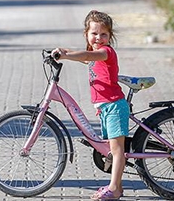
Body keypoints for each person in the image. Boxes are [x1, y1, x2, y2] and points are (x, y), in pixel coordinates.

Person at [51, 10, 127, 200]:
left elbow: (86, 55)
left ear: (110, 37)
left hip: (115, 106)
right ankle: (117, 184)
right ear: (86, 34)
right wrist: (63, 51)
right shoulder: (94, 54)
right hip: (105, 108)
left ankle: (114, 189)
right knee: (111, 149)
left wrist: (67, 56)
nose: (98, 38)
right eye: (94, 33)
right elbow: (84, 56)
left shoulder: (105, 52)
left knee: (117, 151)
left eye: (104, 34)